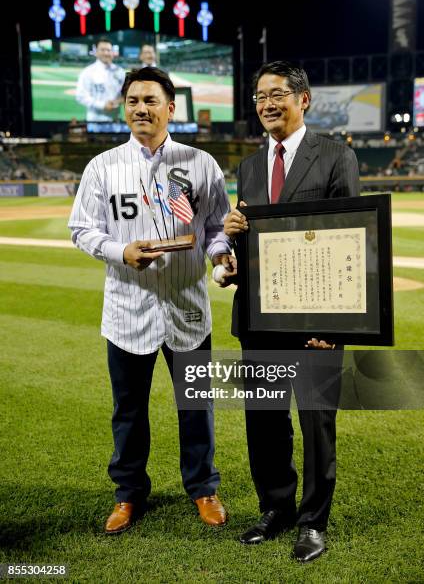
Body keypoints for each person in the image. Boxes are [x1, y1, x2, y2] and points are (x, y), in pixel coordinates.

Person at [69, 66, 236, 534]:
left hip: (187, 306)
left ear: (170, 107)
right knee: (128, 410)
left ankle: (203, 488)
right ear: (125, 108)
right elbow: (82, 229)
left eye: (150, 100)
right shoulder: (101, 167)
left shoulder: (201, 163)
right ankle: (128, 494)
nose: (140, 108)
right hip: (127, 309)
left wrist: (222, 256)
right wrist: (119, 250)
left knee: (196, 404)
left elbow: (217, 227)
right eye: (133, 101)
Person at [223, 61, 360, 562]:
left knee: (316, 423)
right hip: (261, 317)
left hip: (317, 321)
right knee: (264, 420)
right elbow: (262, 247)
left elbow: (353, 241)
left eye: (277, 93)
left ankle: (313, 522)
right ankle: (276, 507)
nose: (266, 104)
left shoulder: (336, 156)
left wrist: (337, 325)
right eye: (259, 96)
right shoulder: (250, 167)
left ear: (304, 99)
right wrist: (235, 247)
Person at [75, 38, 125, 122]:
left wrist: (121, 100)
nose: (106, 53)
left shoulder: (120, 71)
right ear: (96, 52)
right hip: (95, 120)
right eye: (102, 50)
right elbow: (81, 96)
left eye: (108, 50)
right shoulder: (88, 72)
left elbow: (125, 93)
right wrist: (102, 105)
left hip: (115, 119)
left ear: (112, 52)